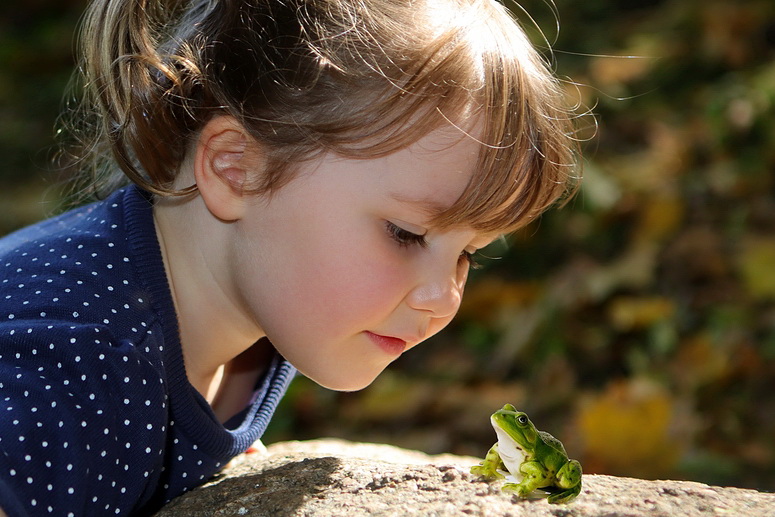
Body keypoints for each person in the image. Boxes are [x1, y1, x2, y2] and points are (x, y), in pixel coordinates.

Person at [0, 0, 579, 514]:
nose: (443, 297)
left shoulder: (260, 298)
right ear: (236, 170)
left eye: (469, 256)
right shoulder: (80, 374)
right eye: (405, 234)